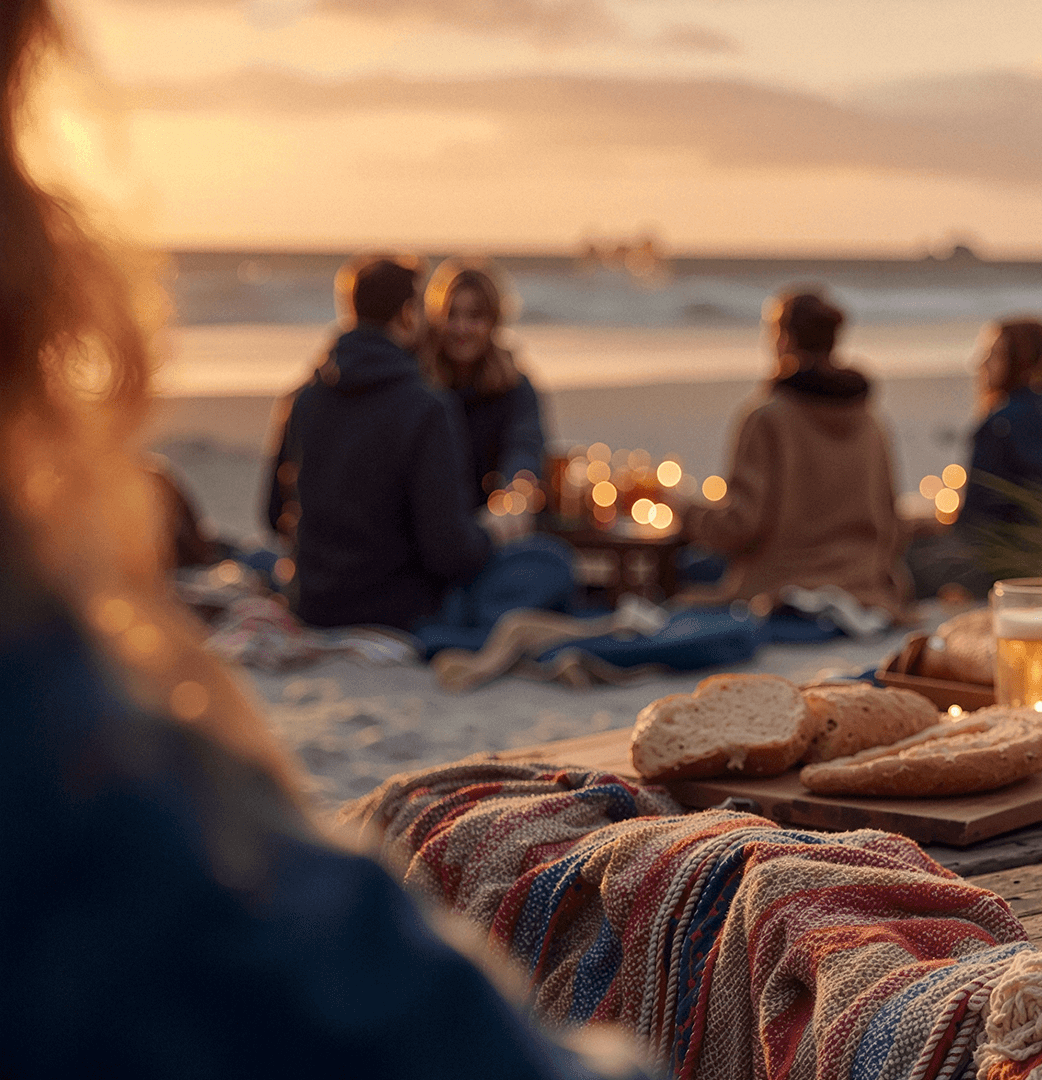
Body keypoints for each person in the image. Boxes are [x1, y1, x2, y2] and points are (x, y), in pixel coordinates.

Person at [0, 3, 643, 1075]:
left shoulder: (315, 389)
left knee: (525, 562)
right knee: (536, 566)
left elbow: (270, 512)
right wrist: (490, 532)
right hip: (404, 593)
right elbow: (447, 544)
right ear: (422, 317)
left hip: (313, 588)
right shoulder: (75, 757)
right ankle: (511, 629)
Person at [263, 255, 497, 630]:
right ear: (407, 315)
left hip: (313, 605)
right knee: (545, 562)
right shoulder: (427, 407)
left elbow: (273, 515)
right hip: (400, 611)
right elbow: (449, 555)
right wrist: (489, 536)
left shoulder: (303, 399)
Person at [681, 289, 908, 624]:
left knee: (687, 568)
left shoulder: (766, 417)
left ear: (783, 339)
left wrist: (684, 512)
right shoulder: (872, 422)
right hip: (863, 586)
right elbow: (892, 522)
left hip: (779, 586)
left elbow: (740, 526)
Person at [940, 317, 1042, 593]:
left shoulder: (999, 422)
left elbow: (976, 520)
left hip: (1005, 571)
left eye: (992, 355)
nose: (980, 364)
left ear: (1019, 361)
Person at [420, 259, 547, 510]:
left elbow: (525, 446)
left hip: (493, 519)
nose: (462, 328)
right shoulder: (419, 382)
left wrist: (514, 494)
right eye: (451, 315)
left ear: (494, 320)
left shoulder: (513, 386)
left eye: (475, 316)